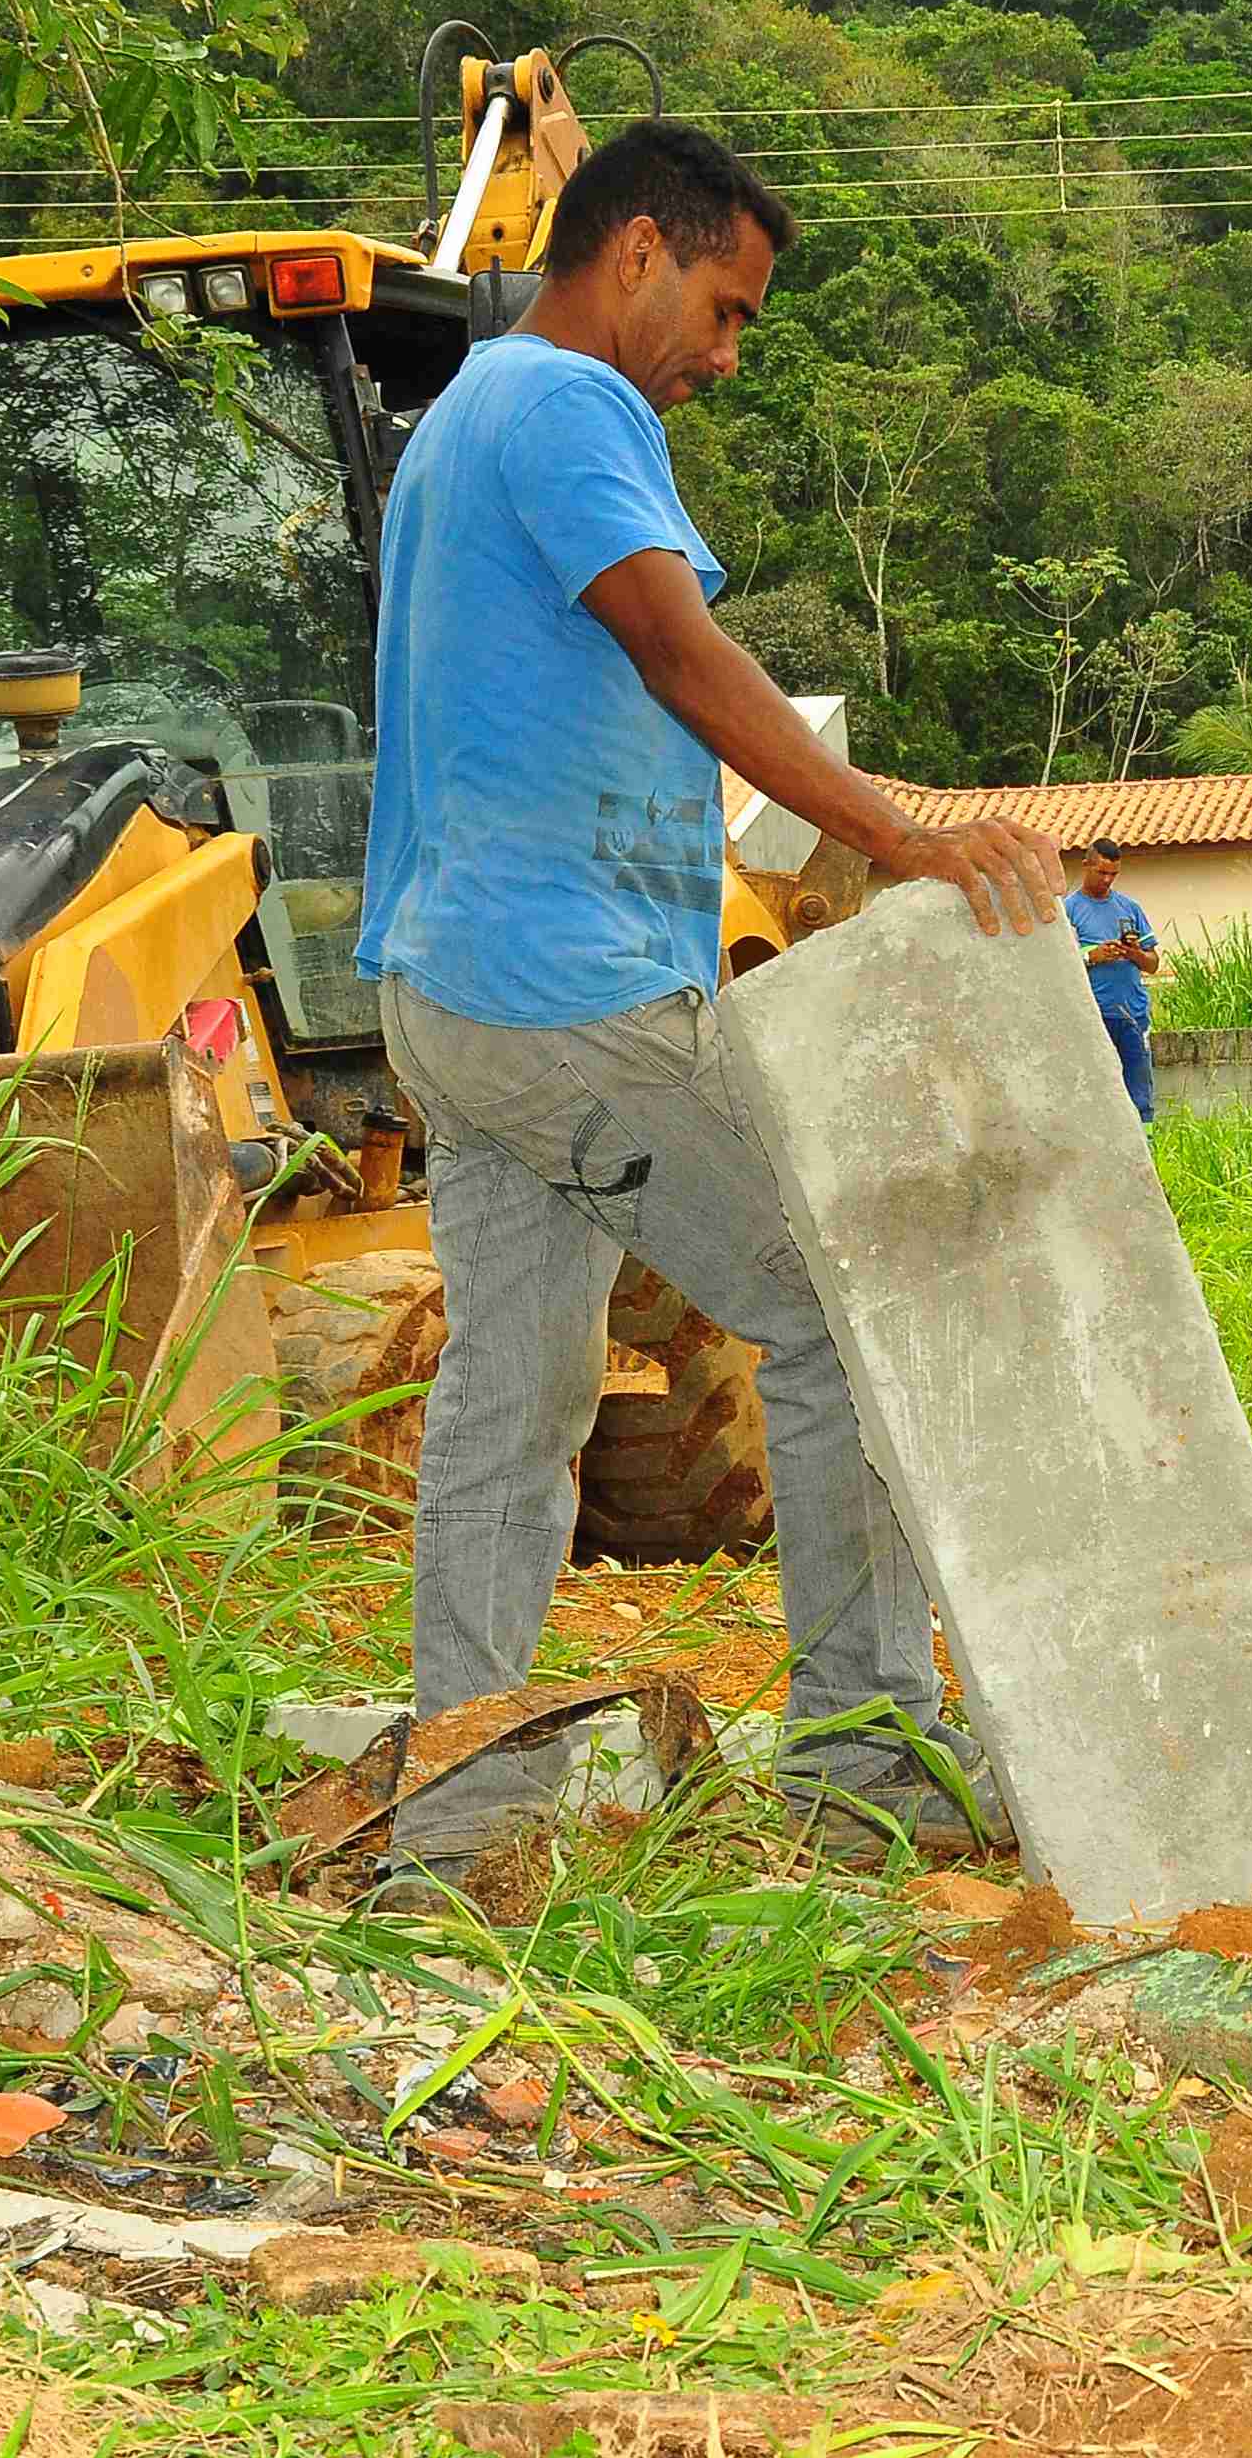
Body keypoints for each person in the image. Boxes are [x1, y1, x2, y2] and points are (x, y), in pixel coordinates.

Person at [356, 119, 1065, 1856]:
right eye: (726, 310)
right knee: (843, 1298)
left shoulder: (457, 420)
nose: (725, 358)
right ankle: (859, 1755)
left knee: (514, 1393)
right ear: (636, 251)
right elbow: (678, 645)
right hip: (567, 991)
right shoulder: (566, 404)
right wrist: (891, 832)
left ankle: (464, 1794)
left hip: (450, 989)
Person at [1062, 840, 1162, 1120]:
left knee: (1140, 1093)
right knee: (1098, 1094)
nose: (1107, 880)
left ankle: (1147, 1149)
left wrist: (1133, 953)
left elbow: (1153, 964)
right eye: (1101, 873)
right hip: (1093, 1017)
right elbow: (1059, 965)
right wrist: (1092, 956)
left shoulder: (1130, 908)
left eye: (1113, 875)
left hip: (1133, 1015)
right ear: (1086, 866)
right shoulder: (1067, 910)